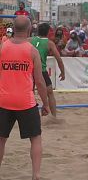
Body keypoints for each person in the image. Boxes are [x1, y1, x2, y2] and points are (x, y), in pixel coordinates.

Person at [0, 16, 50, 180]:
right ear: (29, 30)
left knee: (1, 138)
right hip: (25, 102)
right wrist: (45, 104)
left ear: (13, 29)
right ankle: (36, 174)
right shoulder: (32, 51)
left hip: (3, 100)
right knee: (35, 138)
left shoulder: (2, 47)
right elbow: (40, 82)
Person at [31, 23, 66, 118]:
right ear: (48, 32)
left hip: (29, 70)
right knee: (50, 93)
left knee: (30, 93)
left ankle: (30, 116)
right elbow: (59, 59)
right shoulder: (49, 43)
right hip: (41, 70)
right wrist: (63, 72)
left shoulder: (30, 40)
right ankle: (54, 117)